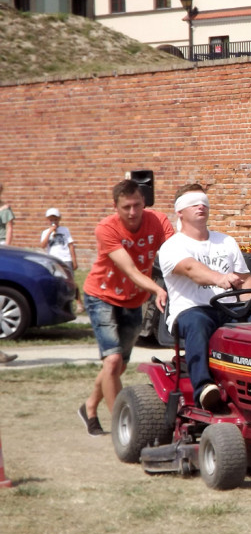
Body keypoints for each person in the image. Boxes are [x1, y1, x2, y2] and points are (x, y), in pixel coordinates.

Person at [159, 184, 251, 409]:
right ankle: (204, 388)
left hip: (230, 310)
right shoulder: (172, 247)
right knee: (198, 322)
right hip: (191, 310)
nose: (200, 205)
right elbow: (192, 270)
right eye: (192, 202)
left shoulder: (226, 241)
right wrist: (219, 278)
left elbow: (245, 279)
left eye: (203, 201)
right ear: (180, 211)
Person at [79, 180, 173, 436]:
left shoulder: (158, 221)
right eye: (127, 207)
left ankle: (89, 406)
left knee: (117, 366)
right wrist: (157, 289)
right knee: (112, 360)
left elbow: (176, 254)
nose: (133, 212)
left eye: (138, 205)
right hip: (102, 296)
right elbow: (130, 269)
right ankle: (122, 426)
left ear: (144, 203)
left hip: (133, 299)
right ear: (115, 206)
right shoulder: (106, 228)